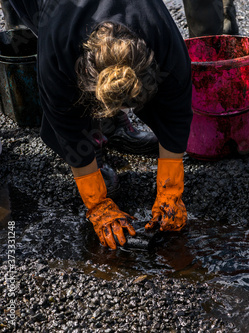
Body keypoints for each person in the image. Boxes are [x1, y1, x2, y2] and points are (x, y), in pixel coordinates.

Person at [8, 0, 193, 249]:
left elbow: (176, 109)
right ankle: (97, 139)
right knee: (71, 109)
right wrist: (97, 204)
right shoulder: (57, 48)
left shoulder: (161, 36)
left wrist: (170, 190)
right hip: (58, 10)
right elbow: (65, 123)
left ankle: (112, 124)